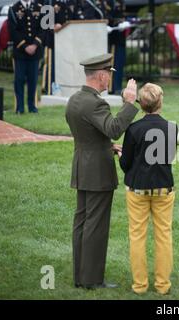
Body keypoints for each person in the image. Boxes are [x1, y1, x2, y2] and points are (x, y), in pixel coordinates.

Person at [65, 53, 138, 289]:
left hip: (82, 167)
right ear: (101, 75)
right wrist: (129, 103)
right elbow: (114, 128)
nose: (109, 81)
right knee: (95, 225)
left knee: (82, 222)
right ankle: (92, 280)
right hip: (97, 171)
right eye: (108, 76)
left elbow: (90, 134)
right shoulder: (96, 102)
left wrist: (105, 146)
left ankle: (80, 276)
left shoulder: (75, 99)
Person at [120, 83, 177, 295]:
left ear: (141, 104)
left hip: (138, 189)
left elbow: (125, 163)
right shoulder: (172, 128)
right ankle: (163, 286)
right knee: (163, 235)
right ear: (160, 102)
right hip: (164, 188)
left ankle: (140, 285)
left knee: (137, 236)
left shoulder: (133, 129)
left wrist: (123, 156)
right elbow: (168, 157)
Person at [8, 0, 44, 114]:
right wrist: (25, 46)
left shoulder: (40, 8)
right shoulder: (13, 9)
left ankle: (32, 106)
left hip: (35, 51)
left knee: (33, 80)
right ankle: (20, 107)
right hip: (20, 52)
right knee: (19, 80)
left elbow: (43, 29)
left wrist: (35, 45)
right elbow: (12, 30)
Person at [41, 0, 78, 95]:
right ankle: (48, 88)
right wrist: (52, 26)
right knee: (51, 66)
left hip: (66, 41)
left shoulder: (71, 2)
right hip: (52, 41)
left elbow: (75, 18)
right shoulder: (49, 2)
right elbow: (43, 22)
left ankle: (64, 88)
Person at [108, 0, 127, 95]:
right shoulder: (110, 2)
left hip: (120, 39)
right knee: (113, 64)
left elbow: (121, 15)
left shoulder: (121, 2)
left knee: (120, 64)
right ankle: (112, 87)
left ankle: (118, 86)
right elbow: (108, 17)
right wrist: (116, 23)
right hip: (113, 39)